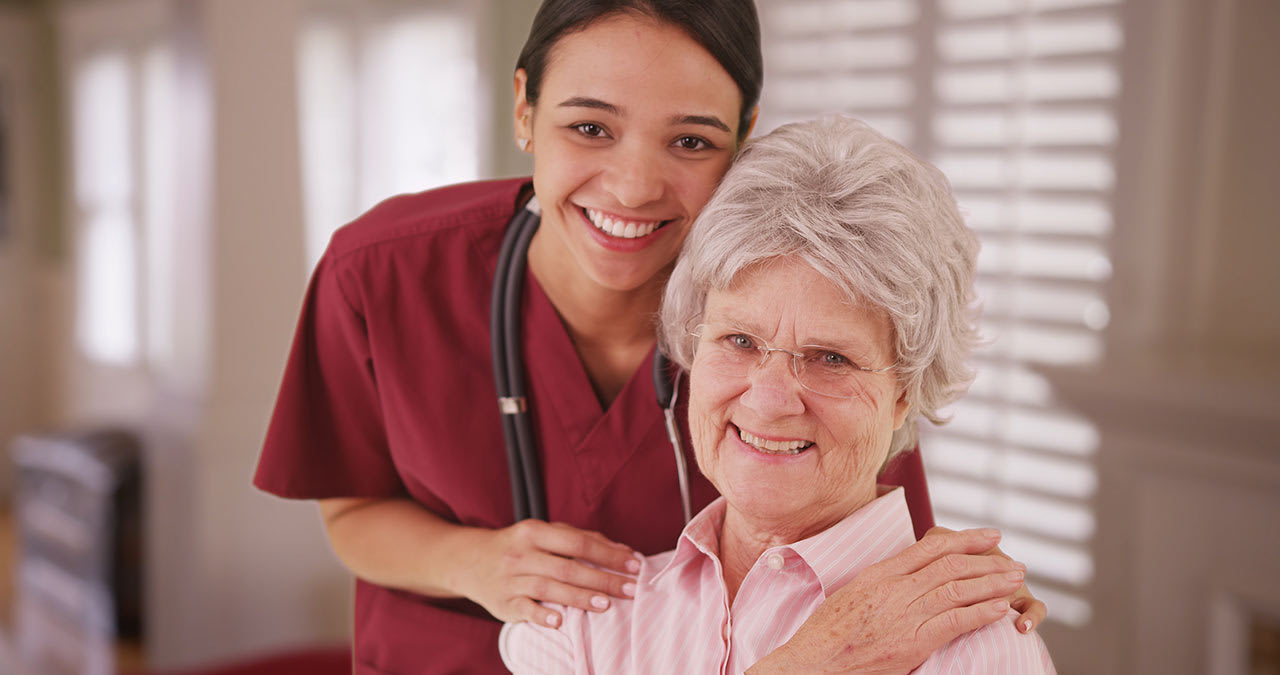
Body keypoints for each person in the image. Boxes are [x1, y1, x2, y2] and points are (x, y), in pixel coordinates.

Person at [254, 1, 1043, 673]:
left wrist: (969, 613)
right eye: (590, 126)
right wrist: (476, 562)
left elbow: (879, 563)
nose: (633, 186)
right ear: (524, 107)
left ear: (743, 134)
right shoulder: (383, 272)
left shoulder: (797, 302)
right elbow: (352, 507)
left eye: (692, 141)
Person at [500, 115, 1056, 673]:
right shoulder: (579, 625)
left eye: (831, 358)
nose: (769, 399)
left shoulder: (981, 651)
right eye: (739, 340)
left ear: (904, 392)